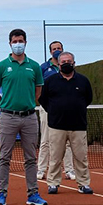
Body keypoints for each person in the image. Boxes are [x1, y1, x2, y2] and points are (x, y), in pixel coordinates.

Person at [0, 29, 47, 205]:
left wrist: (28, 103)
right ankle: (1, 195)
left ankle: (33, 194)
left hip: (30, 118)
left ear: (25, 42)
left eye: (20, 40)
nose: (18, 44)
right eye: (15, 41)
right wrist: (6, 107)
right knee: (4, 158)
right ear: (10, 43)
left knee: (31, 158)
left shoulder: (35, 66)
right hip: (8, 117)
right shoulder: (1, 66)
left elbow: (38, 91)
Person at [37, 52, 94, 195]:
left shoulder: (83, 81)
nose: (66, 63)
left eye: (69, 61)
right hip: (56, 126)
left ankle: (83, 184)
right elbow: (43, 100)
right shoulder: (51, 81)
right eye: (63, 62)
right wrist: (55, 111)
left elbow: (88, 98)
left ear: (74, 63)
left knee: (81, 157)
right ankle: (53, 183)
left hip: (78, 126)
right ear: (59, 64)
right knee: (55, 157)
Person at [37, 40, 75, 181]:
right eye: (54, 49)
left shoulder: (69, 67)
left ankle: (69, 170)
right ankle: (41, 170)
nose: (56, 50)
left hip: (65, 110)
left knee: (67, 140)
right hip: (47, 109)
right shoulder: (43, 68)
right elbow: (38, 87)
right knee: (45, 140)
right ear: (50, 51)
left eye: (59, 48)